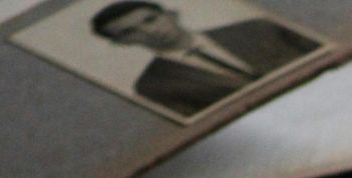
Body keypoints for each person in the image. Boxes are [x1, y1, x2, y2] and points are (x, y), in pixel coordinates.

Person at [89, 1, 320, 118]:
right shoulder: (152, 87)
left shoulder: (258, 28)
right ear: (122, 44)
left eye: (150, 20)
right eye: (130, 32)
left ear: (171, 15)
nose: (150, 31)